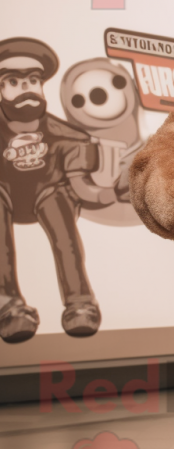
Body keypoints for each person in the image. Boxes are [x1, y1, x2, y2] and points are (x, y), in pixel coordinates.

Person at [0, 37, 104, 344]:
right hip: (4, 195)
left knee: (63, 223)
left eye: (32, 79)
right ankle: (9, 306)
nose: (26, 88)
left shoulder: (65, 135)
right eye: (14, 81)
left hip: (47, 191)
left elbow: (81, 169)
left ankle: (80, 304)